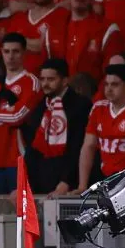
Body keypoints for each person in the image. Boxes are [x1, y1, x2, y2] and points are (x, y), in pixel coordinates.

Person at [0, 33, 44, 194]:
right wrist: (7, 115)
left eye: (16, 51)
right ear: (2, 52)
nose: (11, 56)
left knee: (20, 214)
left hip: (18, 158)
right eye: (7, 51)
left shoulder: (31, 82)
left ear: (24, 53)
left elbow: (19, 117)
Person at [74, 64, 125, 191]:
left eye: (115, 84)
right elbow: (88, 146)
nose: (109, 89)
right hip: (104, 177)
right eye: (106, 84)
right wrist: (82, 186)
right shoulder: (98, 108)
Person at [24, 58, 92, 196]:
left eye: (51, 79)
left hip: (69, 184)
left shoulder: (80, 106)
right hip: (42, 181)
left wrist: (66, 181)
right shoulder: (40, 108)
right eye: (42, 79)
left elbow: (78, 147)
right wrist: (24, 184)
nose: (45, 84)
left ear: (65, 80)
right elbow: (33, 150)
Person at [6, 0, 71, 76]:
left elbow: (53, 49)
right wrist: (36, 43)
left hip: (50, 80)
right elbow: (9, 49)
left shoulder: (63, 15)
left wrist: (21, 42)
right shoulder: (18, 18)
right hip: (20, 81)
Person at [65, 0, 124, 83]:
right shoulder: (57, 26)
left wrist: (99, 98)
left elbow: (112, 73)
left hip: (94, 95)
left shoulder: (108, 28)